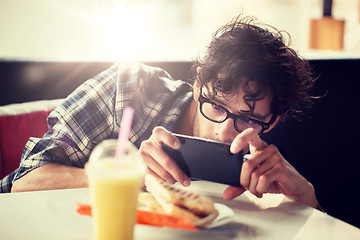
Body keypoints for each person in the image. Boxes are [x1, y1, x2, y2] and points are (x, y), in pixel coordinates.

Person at [1, 15, 319, 209]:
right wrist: (130, 175)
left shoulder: (266, 165)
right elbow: (24, 182)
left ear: (273, 121)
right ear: (198, 85)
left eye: (247, 120)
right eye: (216, 107)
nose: (225, 132)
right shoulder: (128, 87)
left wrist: (306, 199)